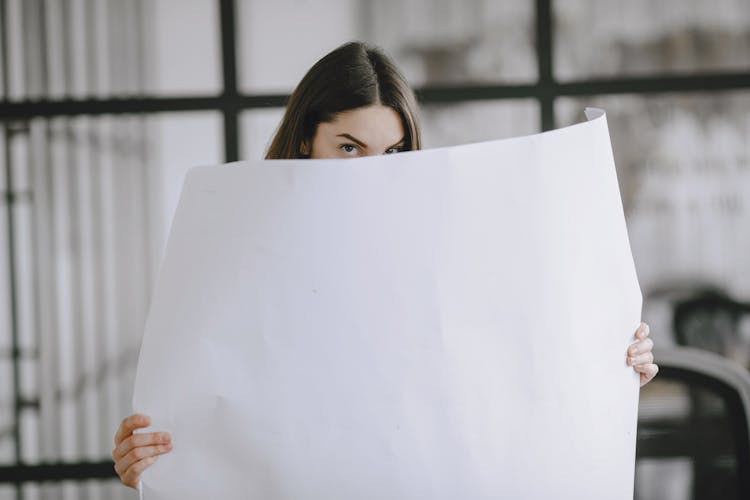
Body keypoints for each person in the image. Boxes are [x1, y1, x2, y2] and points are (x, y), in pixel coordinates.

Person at [111, 41, 659, 489]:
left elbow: (511, 364)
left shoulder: (454, 245)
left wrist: (611, 361)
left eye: (393, 153)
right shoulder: (235, 248)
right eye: (350, 148)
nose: (373, 173)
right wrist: (151, 458)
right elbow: (212, 398)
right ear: (306, 140)